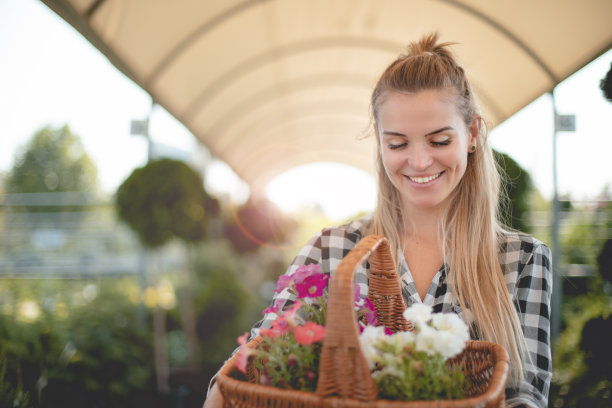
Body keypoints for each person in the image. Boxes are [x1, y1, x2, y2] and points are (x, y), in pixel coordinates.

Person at [205, 33, 552, 408]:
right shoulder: (331, 250)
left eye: (438, 141)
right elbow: (255, 364)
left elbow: (524, 395)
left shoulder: (523, 259)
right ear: (379, 142)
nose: (419, 162)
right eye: (398, 144)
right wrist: (221, 391)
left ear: (472, 133)